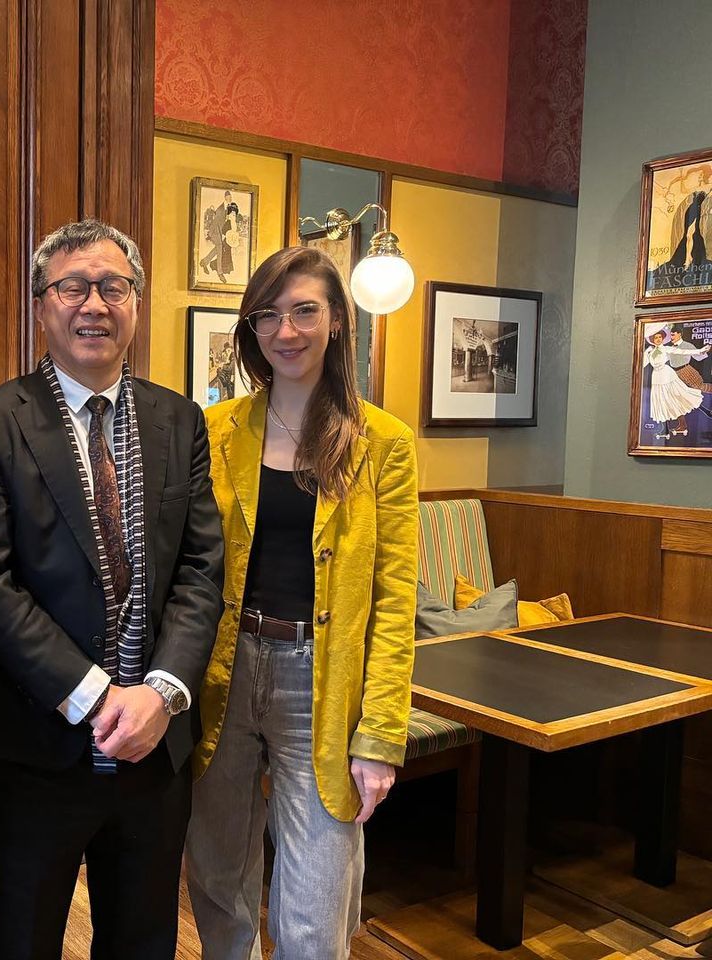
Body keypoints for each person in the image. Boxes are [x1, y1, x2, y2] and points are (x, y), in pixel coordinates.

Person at [0, 218, 225, 959]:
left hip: (155, 747)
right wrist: (98, 697)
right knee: (26, 941)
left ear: (136, 302)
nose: (94, 304)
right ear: (42, 305)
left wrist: (161, 692)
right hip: (37, 744)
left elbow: (201, 567)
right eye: (73, 287)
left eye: (113, 287)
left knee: (144, 941)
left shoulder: (180, 420)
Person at [185, 246, 418, 959]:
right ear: (251, 328)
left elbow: (395, 600)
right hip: (222, 672)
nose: (285, 331)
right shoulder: (213, 430)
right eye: (268, 315)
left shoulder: (384, 443)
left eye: (304, 311)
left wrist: (380, 736)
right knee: (218, 881)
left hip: (322, 681)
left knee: (315, 915)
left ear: (338, 320)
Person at [643, 327, 705, 440]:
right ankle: (665, 429)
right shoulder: (650, 352)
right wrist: (646, 352)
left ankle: (682, 425)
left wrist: (699, 351)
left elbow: (682, 351)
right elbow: (641, 364)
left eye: (660, 337)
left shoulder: (666, 349)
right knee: (661, 402)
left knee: (674, 399)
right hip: (656, 377)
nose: (658, 339)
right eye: (656, 338)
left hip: (667, 376)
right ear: (652, 340)